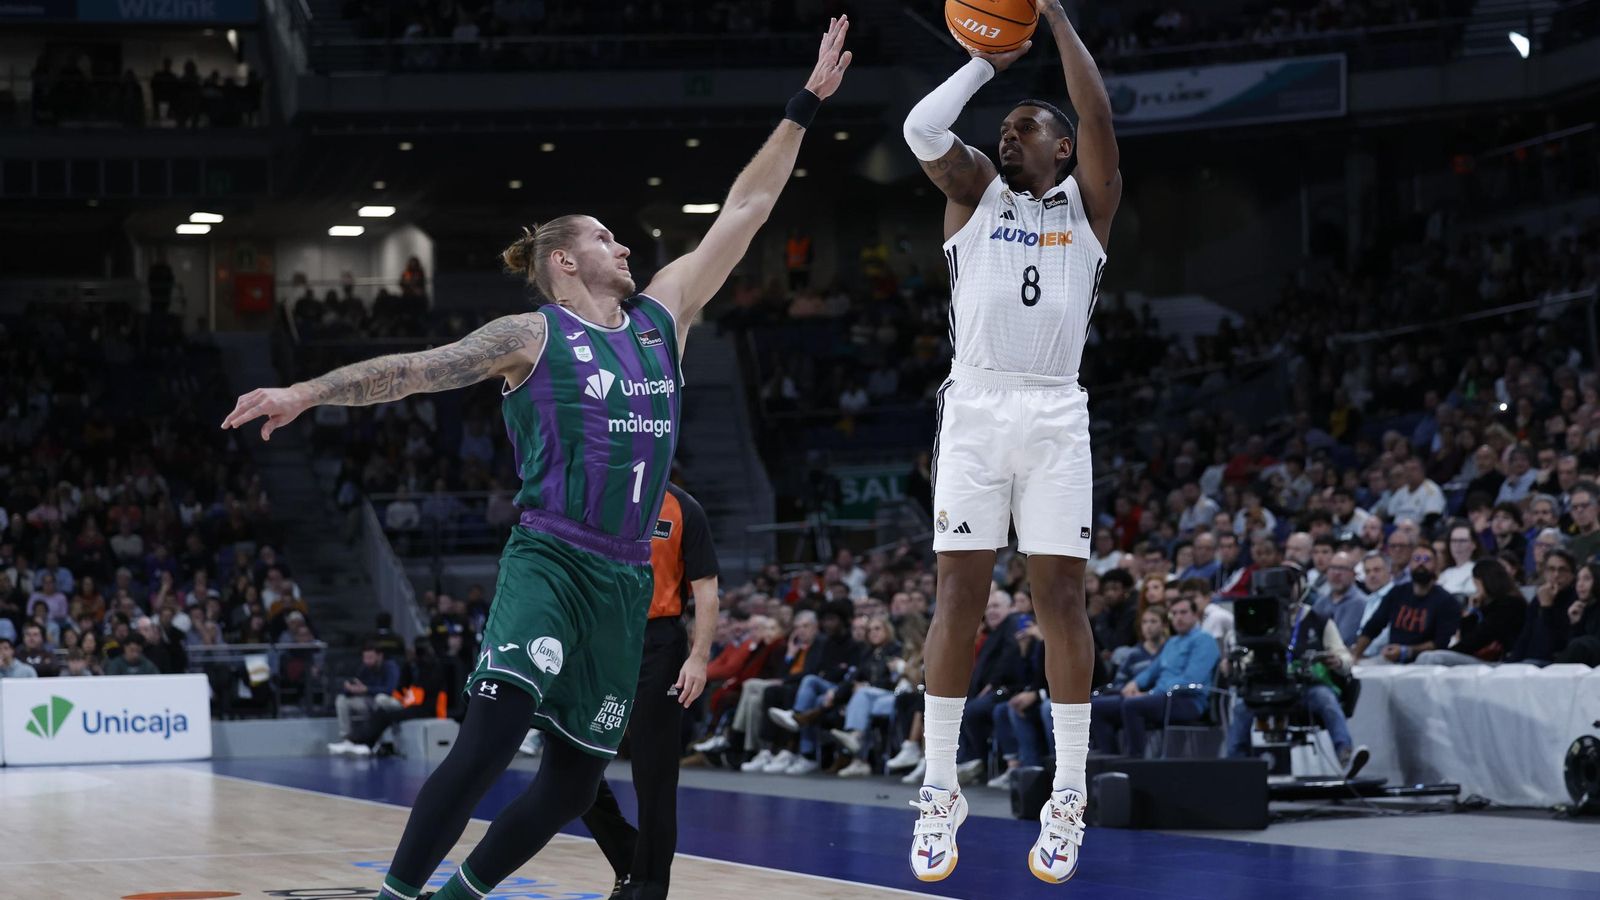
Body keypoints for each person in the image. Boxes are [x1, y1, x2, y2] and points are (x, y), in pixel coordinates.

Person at [222, 20, 852, 900]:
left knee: (575, 782)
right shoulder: (532, 332)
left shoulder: (661, 318)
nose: (626, 246)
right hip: (550, 559)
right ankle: (397, 896)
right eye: (605, 239)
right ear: (565, 261)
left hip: (626, 582)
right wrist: (305, 393)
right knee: (486, 743)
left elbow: (745, 211)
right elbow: (413, 372)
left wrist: (804, 106)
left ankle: (457, 894)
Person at [901, 4, 1120, 876]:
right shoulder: (975, 194)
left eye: (1025, 129)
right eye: (1003, 129)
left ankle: (1069, 792)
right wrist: (990, 62)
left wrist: (1057, 19)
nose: (1007, 137)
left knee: (1060, 604)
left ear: (1061, 149)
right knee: (958, 599)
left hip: (1058, 412)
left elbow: (1098, 116)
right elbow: (922, 126)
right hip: (979, 409)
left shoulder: (1090, 206)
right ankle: (938, 787)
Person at [581, 483, 721, 900]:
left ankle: (648, 884)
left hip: (657, 644)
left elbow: (707, 589)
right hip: (600, 641)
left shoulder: (684, 507)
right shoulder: (593, 497)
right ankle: (628, 855)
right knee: (572, 763)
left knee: (653, 773)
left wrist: (698, 657)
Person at [1089, 597, 1218, 757]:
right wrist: (1134, 683)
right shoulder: (1172, 642)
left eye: (1183, 612)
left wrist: (1151, 693)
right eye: (1174, 613)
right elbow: (1152, 670)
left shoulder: (1204, 640)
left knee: (1132, 705)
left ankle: (1135, 760)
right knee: (1097, 706)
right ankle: (1110, 759)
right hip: (1161, 697)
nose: (1178, 617)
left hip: (1186, 700)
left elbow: (1192, 679)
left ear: (1195, 615)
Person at [328, 644, 403, 756]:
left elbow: (390, 690)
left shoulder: (390, 667)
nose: (367, 661)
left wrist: (366, 689)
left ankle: (375, 742)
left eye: (370, 658)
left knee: (380, 698)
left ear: (380, 656)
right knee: (342, 699)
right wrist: (350, 689)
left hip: (393, 703)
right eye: (365, 658)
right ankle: (347, 740)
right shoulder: (365, 668)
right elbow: (359, 687)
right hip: (370, 701)